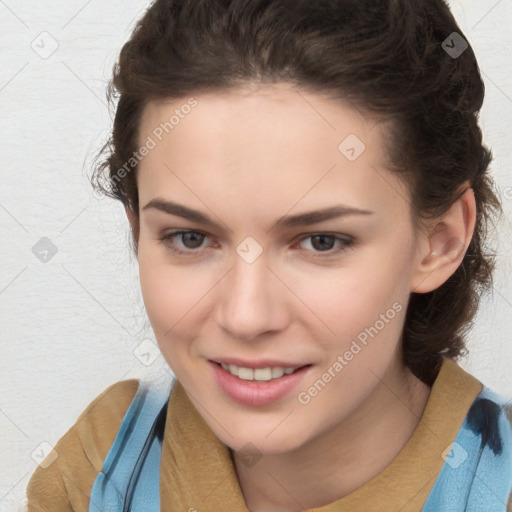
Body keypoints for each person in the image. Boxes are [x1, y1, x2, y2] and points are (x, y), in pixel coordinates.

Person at [26, 0, 512, 510]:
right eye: (189, 237)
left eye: (321, 241)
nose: (246, 316)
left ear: (439, 241)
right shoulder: (99, 470)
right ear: (138, 229)